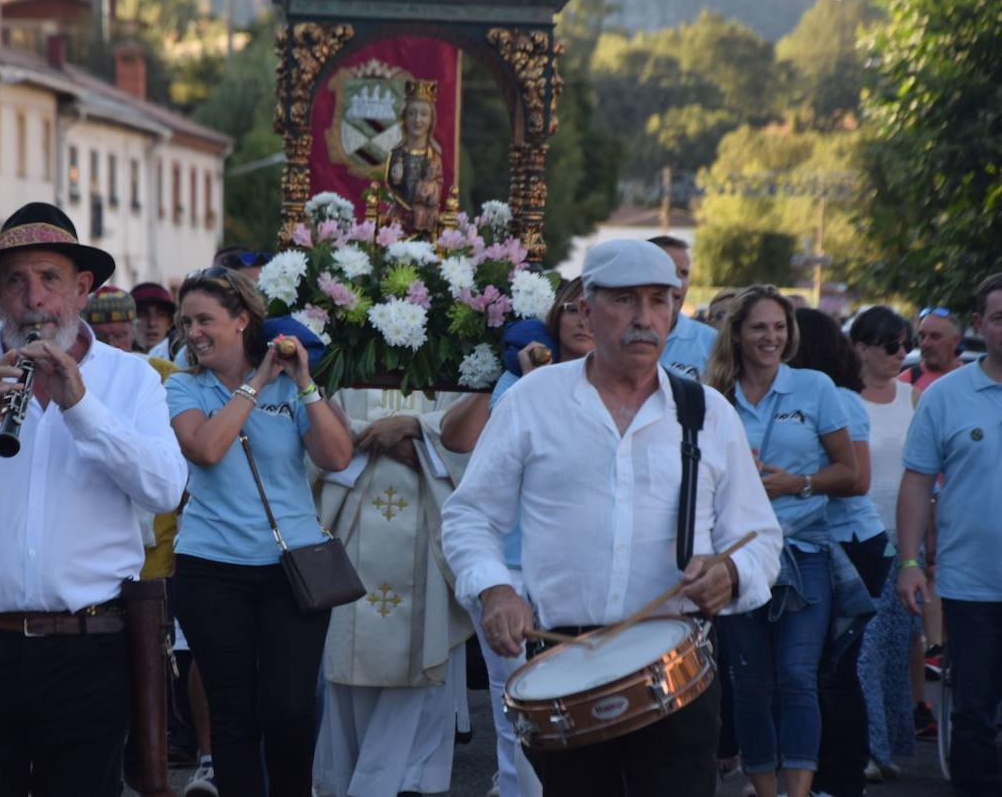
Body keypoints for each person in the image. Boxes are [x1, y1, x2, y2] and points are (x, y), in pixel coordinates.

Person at [441, 240, 783, 797]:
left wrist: (732, 574)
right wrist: (495, 589)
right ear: (585, 309)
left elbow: (761, 538)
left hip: (678, 669)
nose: (645, 318)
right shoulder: (534, 400)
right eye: (625, 300)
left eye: (659, 300)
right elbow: (470, 517)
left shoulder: (707, 412)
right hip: (562, 667)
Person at [0, 202, 187, 797]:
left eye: (50, 279)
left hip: (89, 647)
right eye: (17, 281)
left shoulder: (132, 380)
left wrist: (83, 409)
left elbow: (165, 488)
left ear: (80, 289)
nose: (34, 299)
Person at [166, 267, 352, 796]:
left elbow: (337, 457)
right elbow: (205, 448)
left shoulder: (290, 385)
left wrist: (305, 385)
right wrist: (255, 383)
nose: (194, 332)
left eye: (206, 320)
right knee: (233, 712)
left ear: (242, 320)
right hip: (211, 570)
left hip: (293, 568)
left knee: (291, 708)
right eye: (187, 322)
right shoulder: (183, 385)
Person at [438, 276, 592, 797]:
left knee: (578, 704)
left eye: (595, 309)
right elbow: (457, 439)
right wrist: (517, 376)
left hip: (576, 568)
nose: (585, 320)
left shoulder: (618, 388)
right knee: (516, 703)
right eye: (573, 310)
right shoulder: (520, 378)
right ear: (555, 320)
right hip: (507, 565)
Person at [705, 285, 861, 797]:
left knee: (797, 676)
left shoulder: (815, 387)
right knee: (747, 682)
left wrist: (796, 483)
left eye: (779, 327)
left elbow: (850, 473)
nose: (771, 337)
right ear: (737, 334)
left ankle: (797, 793)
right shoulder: (714, 395)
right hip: (738, 554)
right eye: (759, 327)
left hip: (805, 552)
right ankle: (765, 791)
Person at [312, 386, 475, 797]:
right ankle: (351, 781)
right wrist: (376, 436)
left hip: (427, 535)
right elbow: (317, 415)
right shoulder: (344, 344)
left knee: (420, 667)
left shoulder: (453, 352)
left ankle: (399, 785)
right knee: (345, 663)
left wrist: (418, 430)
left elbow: (471, 430)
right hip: (351, 525)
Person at [897, 272, 1002, 797]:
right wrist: (910, 564)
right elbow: (916, 482)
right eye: (1000, 317)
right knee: (975, 710)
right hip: (971, 584)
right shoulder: (946, 397)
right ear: (981, 326)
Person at [789, 308, 886, 797]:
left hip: (851, 545)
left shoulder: (840, 401)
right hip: (826, 543)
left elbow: (858, 479)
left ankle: (843, 777)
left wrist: (794, 481)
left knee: (835, 669)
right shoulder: (801, 397)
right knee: (817, 668)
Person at [849, 306, 918, 779]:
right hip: (859, 535)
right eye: (890, 345)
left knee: (895, 645)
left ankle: (887, 745)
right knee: (864, 644)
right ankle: (867, 748)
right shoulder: (843, 399)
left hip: (904, 535)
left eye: (903, 344)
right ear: (862, 348)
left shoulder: (914, 398)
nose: (900, 353)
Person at [376, 79, 445, 236]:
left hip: (425, 221)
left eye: (424, 114)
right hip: (398, 221)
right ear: (404, 118)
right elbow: (391, 186)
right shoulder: (396, 154)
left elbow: (438, 185)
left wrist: (431, 192)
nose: (418, 120)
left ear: (431, 120)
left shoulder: (433, 156)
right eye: (412, 113)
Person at [649, 235, 718, 380]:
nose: (678, 282)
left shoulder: (711, 342)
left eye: (684, 273)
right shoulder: (615, 336)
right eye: (669, 271)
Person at [900, 308, 964, 391]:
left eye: (935, 337)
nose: (925, 343)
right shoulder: (903, 384)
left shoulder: (973, 380)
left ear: (956, 340)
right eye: (922, 336)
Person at [84, 286, 136, 352]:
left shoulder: (148, 362)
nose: (111, 345)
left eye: (119, 336)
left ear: (133, 333)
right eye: (101, 338)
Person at [132, 283, 177, 358]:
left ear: (170, 322)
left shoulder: (183, 360)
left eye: (160, 314)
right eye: (143, 314)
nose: (151, 323)